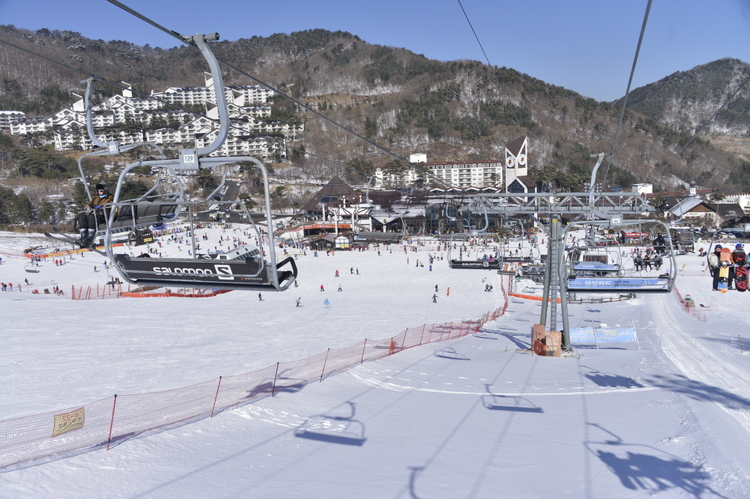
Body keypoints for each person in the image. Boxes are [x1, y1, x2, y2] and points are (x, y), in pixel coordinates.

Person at [76, 182, 114, 247]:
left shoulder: (110, 198)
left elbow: (111, 208)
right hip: (95, 216)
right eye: (98, 191)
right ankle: (83, 236)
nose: (99, 192)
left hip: (104, 217)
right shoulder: (96, 199)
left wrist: (99, 210)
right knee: (82, 216)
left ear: (105, 190)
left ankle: (90, 237)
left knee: (91, 217)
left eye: (101, 191)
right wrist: (86, 207)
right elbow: (89, 204)